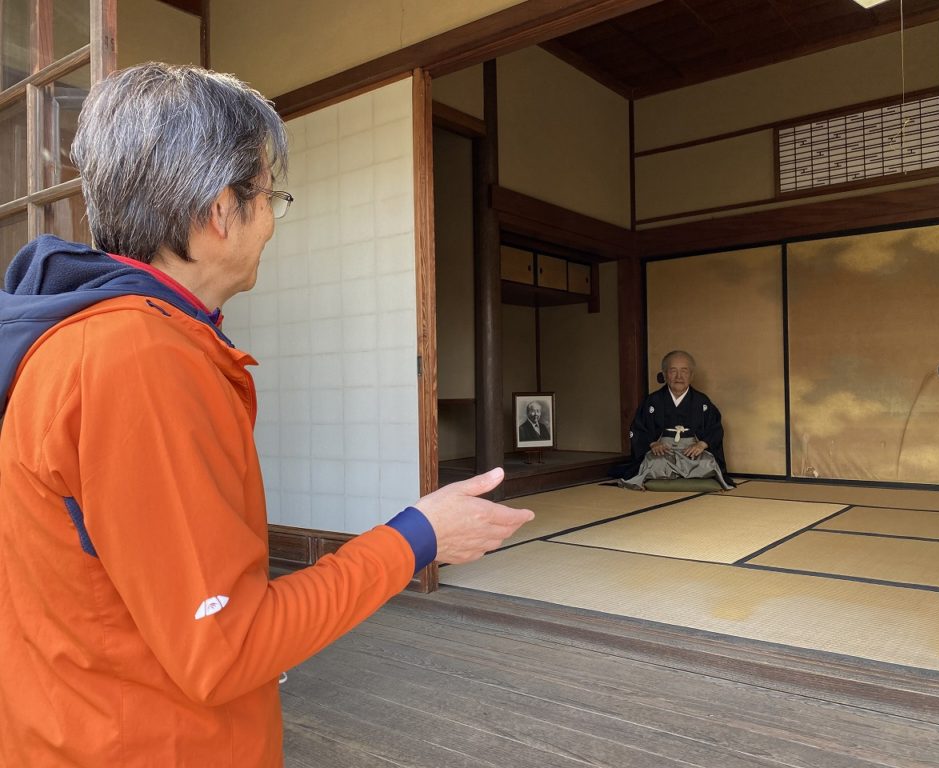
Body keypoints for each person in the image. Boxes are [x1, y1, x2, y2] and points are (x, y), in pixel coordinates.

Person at [0, 63, 533, 768]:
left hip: (76, 722)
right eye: (268, 198)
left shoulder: (80, 334)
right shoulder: (137, 360)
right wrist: (418, 536)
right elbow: (227, 648)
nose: (270, 224)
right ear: (221, 209)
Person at [614, 350, 734, 490]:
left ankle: (668, 475)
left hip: (692, 452)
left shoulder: (702, 402)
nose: (679, 376)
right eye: (673, 371)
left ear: (691, 375)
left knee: (708, 463)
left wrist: (701, 444)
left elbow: (716, 428)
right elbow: (637, 428)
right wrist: (653, 444)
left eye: (684, 371)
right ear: (665, 374)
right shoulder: (653, 401)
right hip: (664, 452)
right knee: (654, 463)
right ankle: (680, 474)